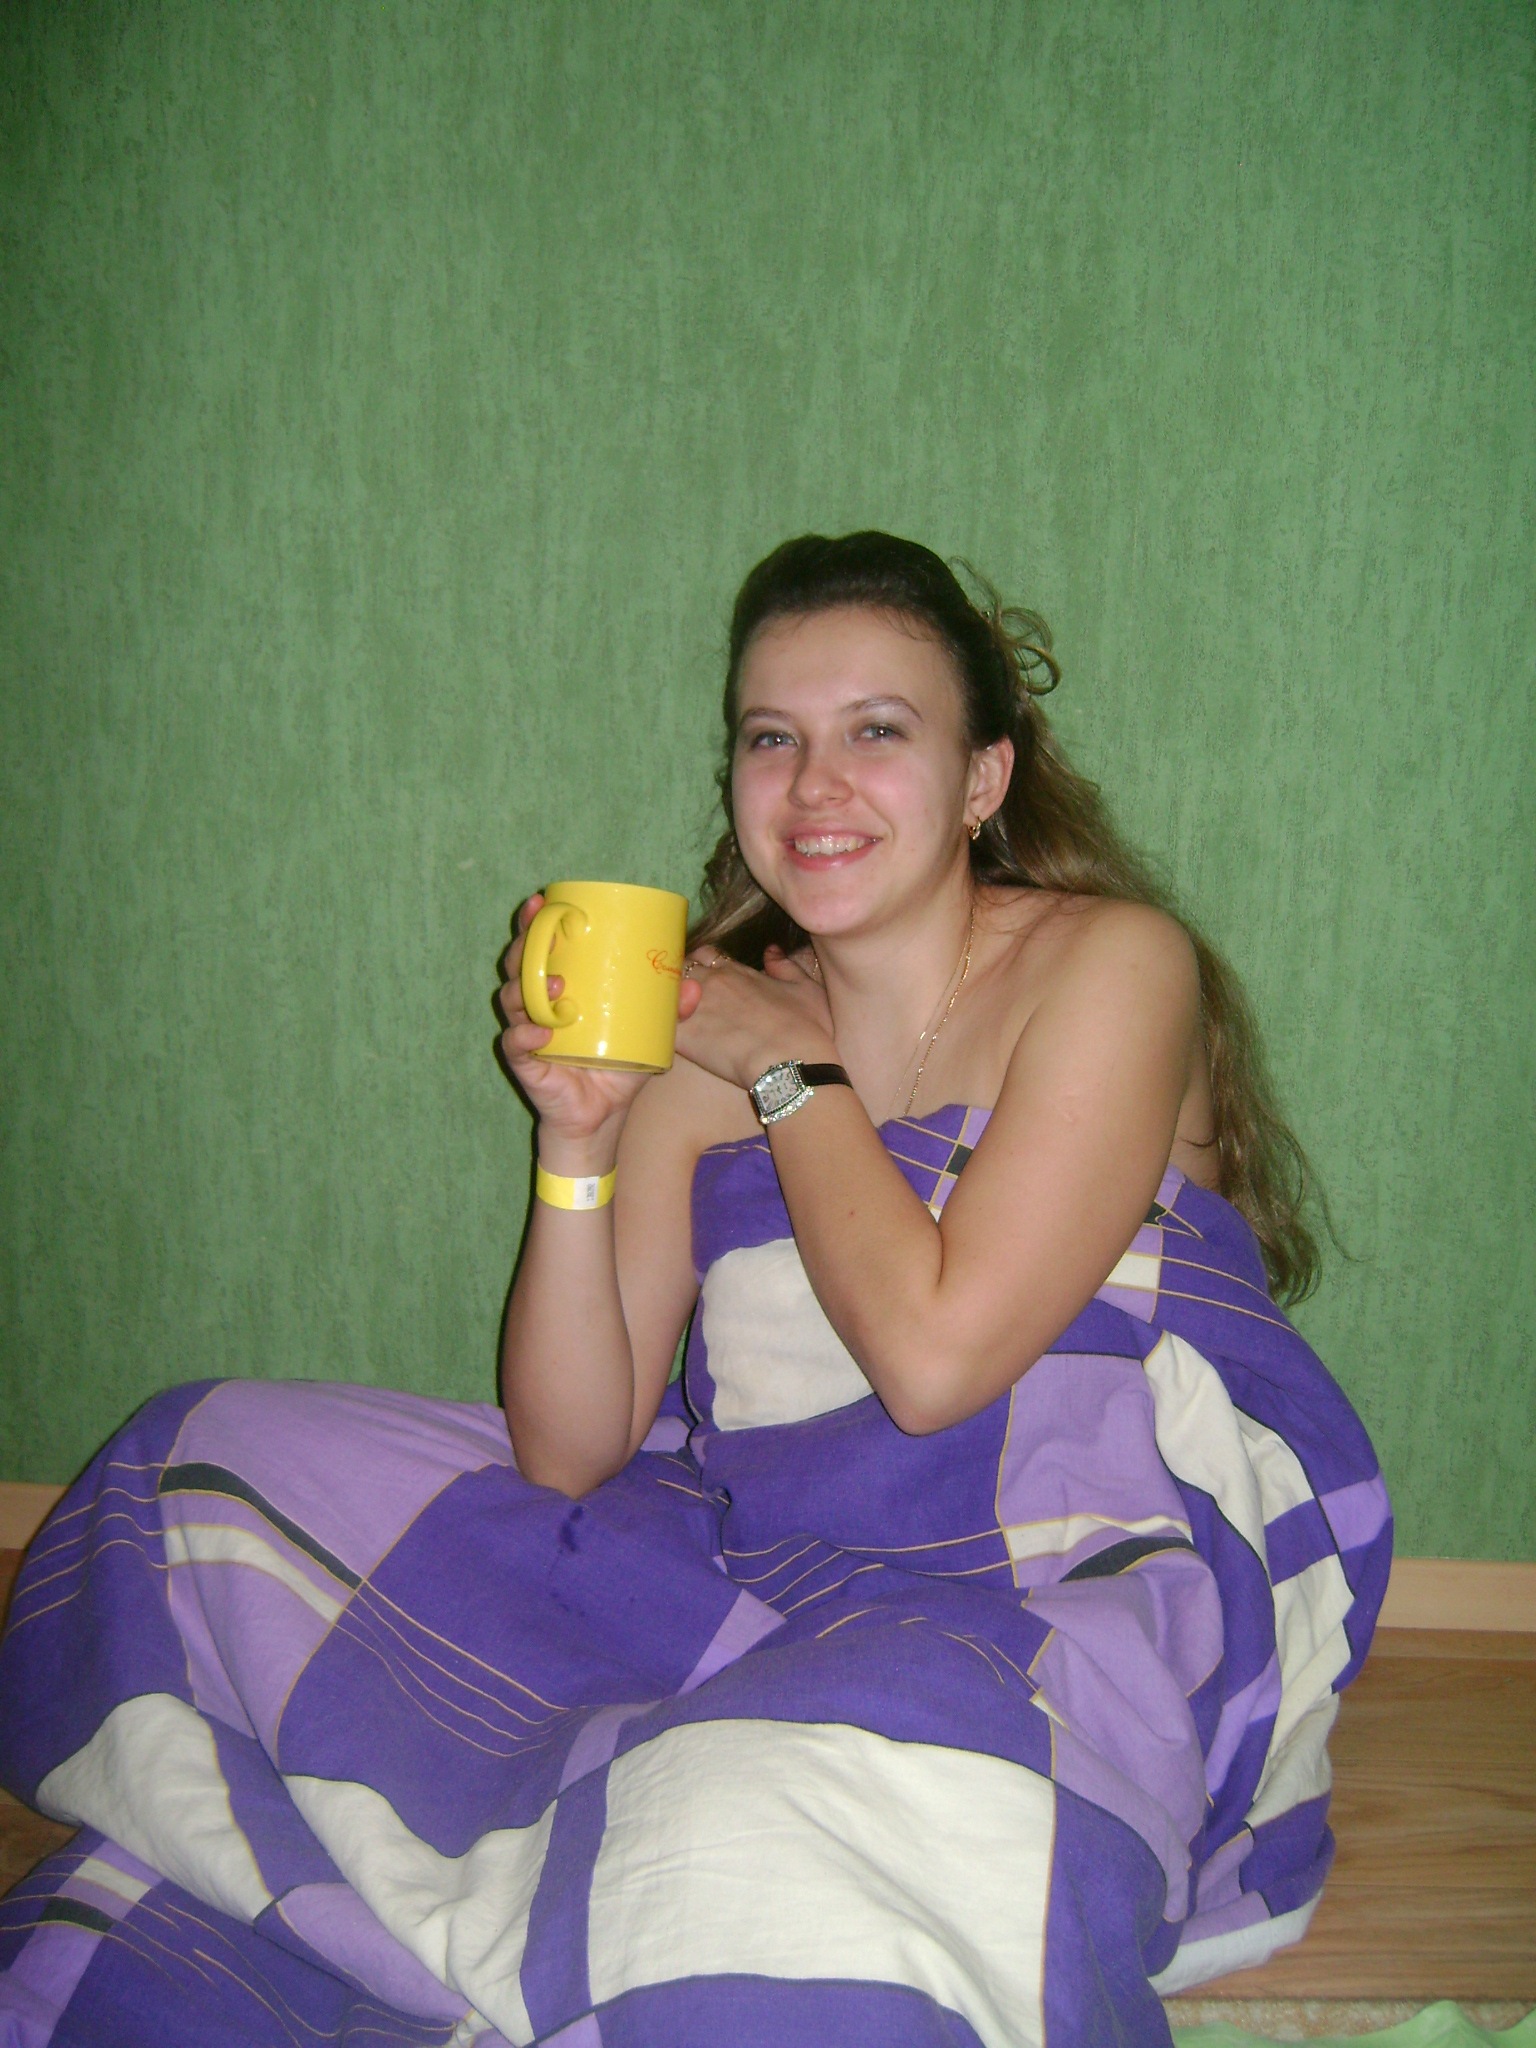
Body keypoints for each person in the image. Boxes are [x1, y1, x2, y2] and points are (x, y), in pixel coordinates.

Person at [0, 533, 1390, 2048]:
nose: (814, 785)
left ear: (983, 778)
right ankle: (642, 1815)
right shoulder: (723, 1024)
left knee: (784, 1798)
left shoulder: (1107, 967)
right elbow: (570, 1450)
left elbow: (936, 1363)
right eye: (770, 738)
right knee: (200, 1464)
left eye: (877, 731)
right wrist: (578, 1142)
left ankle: (680, 1838)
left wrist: (790, 1072)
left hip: (1044, 1585)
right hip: (762, 1558)